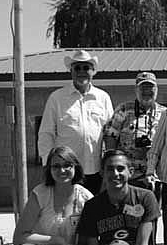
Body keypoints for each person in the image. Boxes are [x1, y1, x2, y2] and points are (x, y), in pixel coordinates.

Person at [38, 50, 113, 195]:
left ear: (93, 71)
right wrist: (48, 166)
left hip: (96, 171)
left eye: (86, 67)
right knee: (68, 213)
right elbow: (46, 134)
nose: (82, 71)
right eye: (77, 67)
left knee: (93, 212)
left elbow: (110, 134)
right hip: (66, 171)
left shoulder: (103, 98)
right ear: (70, 71)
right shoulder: (56, 98)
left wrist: (109, 165)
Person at [104, 72, 167, 196]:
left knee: (152, 212)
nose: (147, 91)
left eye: (150, 88)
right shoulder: (124, 109)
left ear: (157, 90)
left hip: (156, 175)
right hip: (128, 176)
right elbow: (111, 136)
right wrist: (112, 165)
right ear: (136, 90)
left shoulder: (165, 113)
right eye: (143, 88)